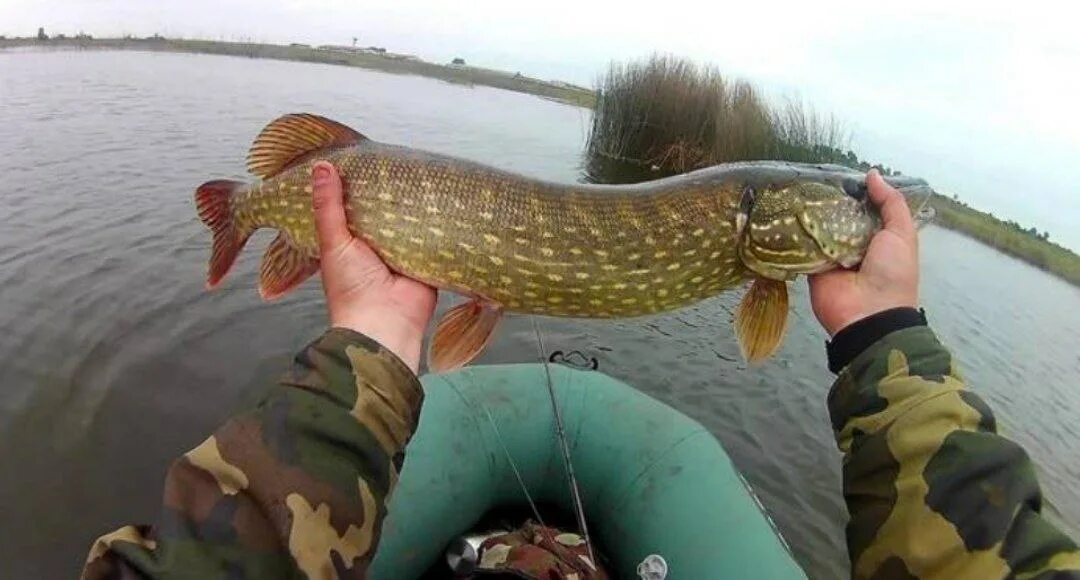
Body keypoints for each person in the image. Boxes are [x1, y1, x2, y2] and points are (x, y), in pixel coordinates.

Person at [82, 163, 1080, 579]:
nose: (869, 212)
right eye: (848, 202)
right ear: (776, 213)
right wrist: (886, 325)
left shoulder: (763, 268)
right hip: (363, 209)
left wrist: (374, 336)